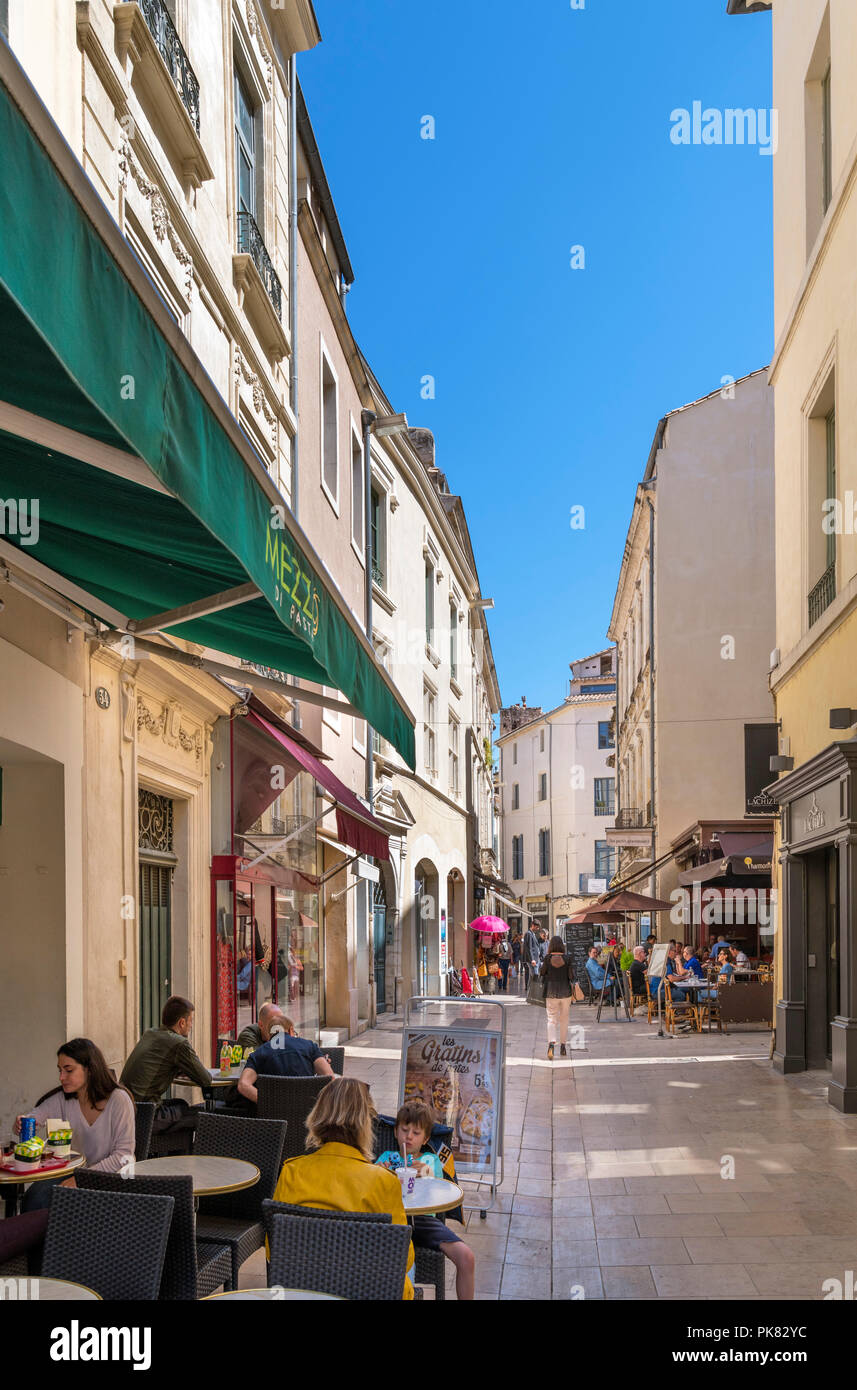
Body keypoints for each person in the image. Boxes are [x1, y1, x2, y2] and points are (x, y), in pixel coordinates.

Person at [271, 1077, 415, 1299]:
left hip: (304, 1291)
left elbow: (274, 1248)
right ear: (365, 1123)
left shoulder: (292, 1171)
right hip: (364, 1292)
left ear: (318, 1115)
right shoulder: (383, 1181)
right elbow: (402, 1259)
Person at [17, 1038, 135, 1211]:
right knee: (35, 1198)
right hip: (72, 1174)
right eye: (59, 1070)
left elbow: (123, 1156)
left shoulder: (118, 1100)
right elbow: (35, 1118)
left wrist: (82, 1179)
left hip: (112, 1179)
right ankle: (42, 1238)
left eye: (68, 1070)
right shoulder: (63, 1099)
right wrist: (22, 1123)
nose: (61, 1077)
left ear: (89, 1069)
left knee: (54, 1200)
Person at [376, 1099, 475, 1300]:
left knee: (466, 1257)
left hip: (422, 1221)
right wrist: (379, 1170)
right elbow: (370, 1182)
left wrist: (427, 1172)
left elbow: (440, 1186)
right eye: (404, 1130)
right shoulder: (387, 1156)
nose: (409, 1136)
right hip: (390, 1221)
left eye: (416, 1132)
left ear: (426, 1137)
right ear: (396, 1132)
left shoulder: (430, 1160)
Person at [120, 996, 212, 1104]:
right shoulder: (179, 1043)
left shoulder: (150, 1033)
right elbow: (205, 1079)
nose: (191, 1025)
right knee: (190, 1111)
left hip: (125, 1105)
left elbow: (157, 1064)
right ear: (182, 1023)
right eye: (191, 1021)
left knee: (179, 1104)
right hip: (144, 1111)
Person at [237, 1016, 334, 1105]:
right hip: (308, 1113)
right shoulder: (309, 1046)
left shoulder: (258, 1053)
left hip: (272, 1119)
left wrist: (268, 1103)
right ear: (291, 1030)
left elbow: (243, 1085)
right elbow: (330, 1077)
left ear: (269, 1035)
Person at [539, 936, 575, 1060]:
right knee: (564, 1019)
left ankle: (551, 1045)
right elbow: (571, 976)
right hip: (566, 992)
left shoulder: (547, 958)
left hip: (551, 992)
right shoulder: (568, 958)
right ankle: (563, 1046)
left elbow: (542, 972)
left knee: (551, 1019)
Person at [523, 922, 540, 988]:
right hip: (532, 960)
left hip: (536, 959)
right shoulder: (528, 934)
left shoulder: (533, 934)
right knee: (534, 975)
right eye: (536, 927)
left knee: (532, 976)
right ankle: (533, 992)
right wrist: (532, 959)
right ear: (532, 925)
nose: (538, 929)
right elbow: (528, 947)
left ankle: (530, 992)